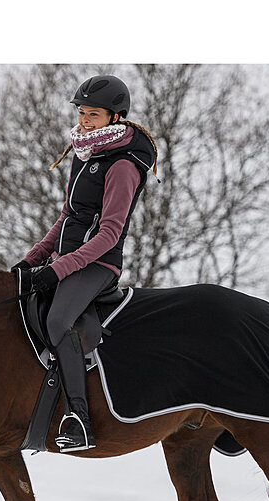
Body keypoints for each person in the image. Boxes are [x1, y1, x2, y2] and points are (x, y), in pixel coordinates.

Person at [11, 74, 158, 453]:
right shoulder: (84, 154)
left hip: (98, 264)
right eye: (81, 112)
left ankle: (78, 418)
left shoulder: (123, 166)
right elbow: (67, 218)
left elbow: (109, 234)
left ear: (115, 117)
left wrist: (57, 271)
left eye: (93, 114)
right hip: (66, 258)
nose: (84, 120)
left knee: (59, 320)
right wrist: (31, 261)